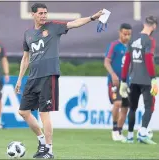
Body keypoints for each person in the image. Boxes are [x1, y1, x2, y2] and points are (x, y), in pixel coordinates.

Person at [14, 3, 104, 159]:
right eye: (40, 13)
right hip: (32, 77)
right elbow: (25, 58)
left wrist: (92, 18)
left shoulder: (53, 27)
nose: (43, 15)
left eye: (45, 13)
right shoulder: (27, 34)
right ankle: (42, 142)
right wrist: (20, 79)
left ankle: (49, 150)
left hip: (48, 75)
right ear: (33, 14)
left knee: (43, 113)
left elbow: (74, 23)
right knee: (23, 112)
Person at [120, 16, 158, 144]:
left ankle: (130, 136)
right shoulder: (150, 41)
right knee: (149, 106)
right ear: (154, 26)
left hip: (133, 79)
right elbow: (148, 59)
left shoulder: (133, 40)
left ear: (143, 24)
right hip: (146, 80)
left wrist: (123, 81)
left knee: (132, 108)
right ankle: (142, 133)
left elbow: (126, 62)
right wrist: (153, 79)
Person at [104, 23, 132, 141]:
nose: (126, 36)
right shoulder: (114, 45)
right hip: (115, 82)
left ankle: (119, 132)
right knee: (117, 103)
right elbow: (106, 62)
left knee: (125, 107)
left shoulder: (130, 48)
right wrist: (113, 74)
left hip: (127, 82)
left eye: (129, 34)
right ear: (120, 32)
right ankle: (114, 130)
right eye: (124, 34)